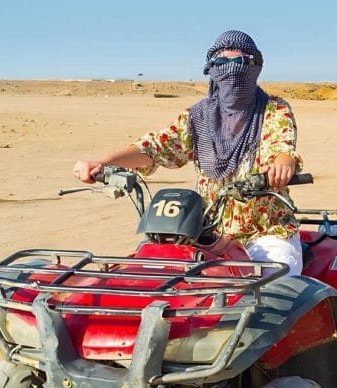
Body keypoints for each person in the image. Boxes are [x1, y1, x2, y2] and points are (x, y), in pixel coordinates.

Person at [73, 30, 304, 275]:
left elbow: (281, 146)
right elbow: (156, 146)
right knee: (151, 273)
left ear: (255, 66)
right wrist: (102, 163)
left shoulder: (273, 110)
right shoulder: (198, 116)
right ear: (212, 69)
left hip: (266, 231)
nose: (231, 69)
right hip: (208, 231)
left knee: (275, 285)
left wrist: (282, 164)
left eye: (240, 62)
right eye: (222, 62)